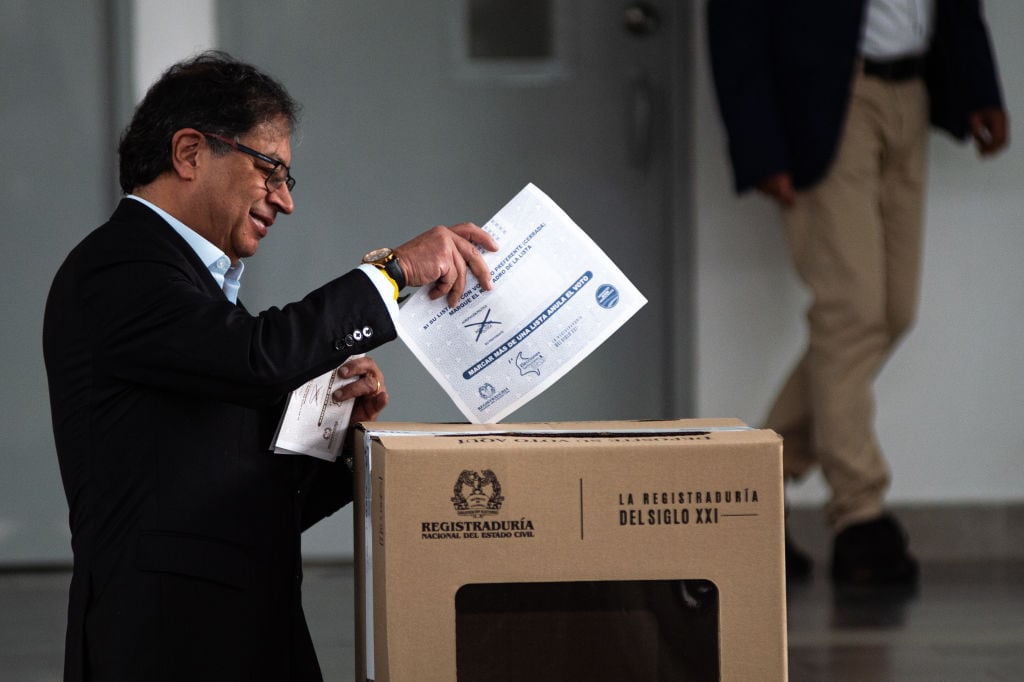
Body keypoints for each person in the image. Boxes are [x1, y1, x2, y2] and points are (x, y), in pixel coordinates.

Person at [42, 51, 498, 682]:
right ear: (190, 152)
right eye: (270, 170)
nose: (284, 201)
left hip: (244, 639)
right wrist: (391, 273)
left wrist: (333, 433)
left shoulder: (193, 293)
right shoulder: (119, 268)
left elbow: (246, 495)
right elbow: (257, 357)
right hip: (166, 648)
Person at [706, 0, 1008, 588]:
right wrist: (757, 142)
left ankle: (753, 485)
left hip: (912, 89)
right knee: (852, 311)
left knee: (890, 312)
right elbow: (736, 16)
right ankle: (860, 514)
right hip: (830, 99)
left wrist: (978, 85)